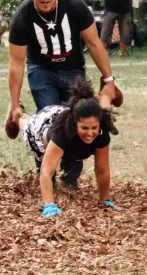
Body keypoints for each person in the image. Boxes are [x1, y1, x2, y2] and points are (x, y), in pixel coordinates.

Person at [5, 0, 121, 186]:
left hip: (73, 69)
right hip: (41, 70)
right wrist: (14, 104)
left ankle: (71, 174)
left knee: (76, 117)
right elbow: (16, 63)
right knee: (49, 120)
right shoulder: (22, 17)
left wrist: (108, 80)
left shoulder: (74, 6)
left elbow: (94, 43)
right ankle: (46, 173)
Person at [13, 79, 117, 217]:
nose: (90, 133)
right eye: (84, 128)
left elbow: (102, 170)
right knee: (26, 125)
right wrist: (49, 205)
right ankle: (17, 113)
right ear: (75, 124)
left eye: (94, 128)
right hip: (41, 127)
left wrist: (105, 200)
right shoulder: (62, 134)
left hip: (61, 113)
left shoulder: (102, 134)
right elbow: (46, 171)